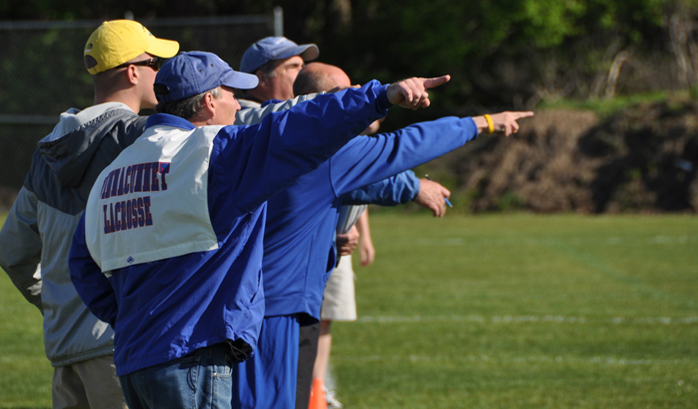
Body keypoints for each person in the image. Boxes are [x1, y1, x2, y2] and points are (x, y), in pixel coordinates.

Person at [68, 51, 446, 409]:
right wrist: (382, 96)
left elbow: (82, 264)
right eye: (231, 92)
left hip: (137, 359)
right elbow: (302, 126)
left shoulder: (116, 170)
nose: (239, 102)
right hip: (190, 357)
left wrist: (131, 317)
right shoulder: (216, 150)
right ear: (208, 102)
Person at [233, 62, 533, 408]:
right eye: (350, 93)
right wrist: (484, 122)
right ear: (330, 102)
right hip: (277, 311)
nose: (358, 96)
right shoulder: (324, 151)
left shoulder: (258, 130)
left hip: (239, 303)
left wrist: (328, 245)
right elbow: (407, 145)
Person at [0, 19, 179, 409]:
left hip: (65, 350)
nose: (161, 74)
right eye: (155, 64)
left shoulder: (49, 150)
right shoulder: (143, 139)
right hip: (122, 346)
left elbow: (12, 251)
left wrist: (58, 300)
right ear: (133, 71)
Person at [294, 62, 453, 409]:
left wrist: (359, 234)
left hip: (325, 251)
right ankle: (310, 395)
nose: (355, 94)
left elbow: (359, 186)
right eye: (288, 65)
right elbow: (386, 162)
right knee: (300, 338)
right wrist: (478, 125)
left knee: (319, 327)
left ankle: (316, 392)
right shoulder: (290, 134)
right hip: (293, 271)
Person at [235, 36, 320, 125]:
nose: (304, 71)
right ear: (262, 79)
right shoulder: (239, 119)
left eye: (302, 66)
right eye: (293, 66)